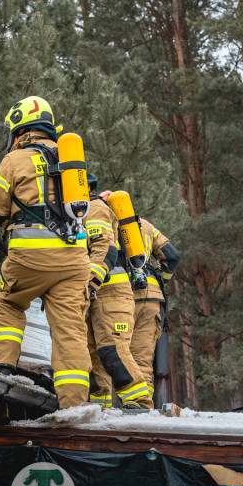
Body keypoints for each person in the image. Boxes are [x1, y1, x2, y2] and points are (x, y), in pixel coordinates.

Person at [0, 96, 92, 409]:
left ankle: (1, 374)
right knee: (70, 330)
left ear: (19, 130)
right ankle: (74, 407)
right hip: (76, 261)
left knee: (8, 302)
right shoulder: (69, 159)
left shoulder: (15, 160)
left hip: (30, 257)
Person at [84, 176, 152, 410]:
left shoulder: (94, 208)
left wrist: (90, 283)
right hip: (94, 291)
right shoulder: (76, 212)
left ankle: (140, 403)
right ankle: (99, 409)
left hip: (110, 291)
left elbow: (107, 251)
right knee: (94, 357)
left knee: (113, 350)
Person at [132, 217, 180, 399]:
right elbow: (173, 256)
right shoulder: (145, 225)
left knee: (105, 357)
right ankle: (142, 408)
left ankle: (102, 410)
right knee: (142, 362)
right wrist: (161, 278)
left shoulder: (98, 219)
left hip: (115, 297)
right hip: (150, 298)